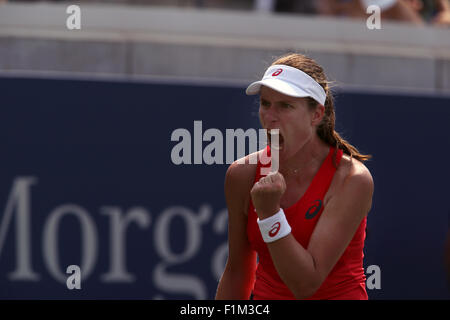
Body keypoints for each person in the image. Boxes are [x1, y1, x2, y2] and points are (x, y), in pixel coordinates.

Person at [215, 53, 374, 300]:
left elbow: (306, 283)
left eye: (285, 106)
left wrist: (269, 214)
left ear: (316, 115)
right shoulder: (242, 175)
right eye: (265, 103)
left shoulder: (353, 179)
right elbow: (237, 272)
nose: (270, 116)